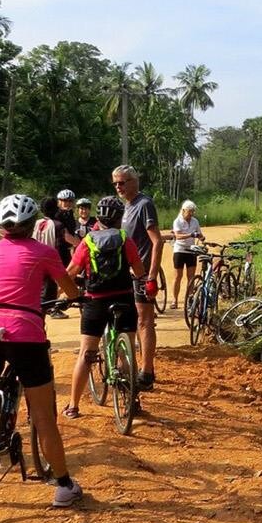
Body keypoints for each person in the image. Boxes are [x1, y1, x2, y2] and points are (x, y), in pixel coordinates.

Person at [0, 193, 82, 508]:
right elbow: (69, 288)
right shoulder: (44, 252)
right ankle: (64, 486)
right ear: (31, 225)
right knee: (42, 417)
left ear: (0, 227)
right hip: (27, 335)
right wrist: (74, 297)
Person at [64, 196, 145, 418]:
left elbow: (70, 271)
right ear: (120, 218)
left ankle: (73, 405)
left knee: (86, 353)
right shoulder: (124, 239)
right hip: (124, 299)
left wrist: (68, 293)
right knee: (127, 351)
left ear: (98, 217)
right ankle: (133, 401)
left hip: (95, 301)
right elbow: (138, 271)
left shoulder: (88, 241)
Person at [113, 165, 163, 390]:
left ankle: (147, 371)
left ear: (134, 182)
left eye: (122, 182)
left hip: (141, 275)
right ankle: (132, 367)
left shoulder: (144, 204)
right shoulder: (127, 207)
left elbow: (157, 241)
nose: (118, 187)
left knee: (144, 321)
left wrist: (151, 276)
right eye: (115, 183)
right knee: (130, 321)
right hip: (127, 273)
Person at [170, 200, 204, 311]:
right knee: (177, 277)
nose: (191, 214)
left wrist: (202, 238)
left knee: (191, 277)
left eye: (192, 212)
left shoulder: (195, 221)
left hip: (191, 251)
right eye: (189, 212)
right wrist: (191, 234)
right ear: (183, 210)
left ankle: (190, 300)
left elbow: (200, 234)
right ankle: (174, 299)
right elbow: (178, 236)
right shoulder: (177, 221)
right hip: (179, 250)